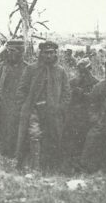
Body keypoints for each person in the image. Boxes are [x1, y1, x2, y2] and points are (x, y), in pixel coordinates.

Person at [15, 41, 71, 171]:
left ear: (55, 53)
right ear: (41, 53)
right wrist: (24, 106)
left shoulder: (60, 71)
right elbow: (21, 89)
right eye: (46, 53)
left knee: (52, 137)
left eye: (51, 53)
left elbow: (66, 92)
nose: (49, 56)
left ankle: (50, 167)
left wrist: (60, 108)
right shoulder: (31, 69)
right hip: (33, 110)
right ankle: (34, 167)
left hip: (52, 111)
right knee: (34, 135)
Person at [65, 58, 99, 161]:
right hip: (75, 114)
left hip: (89, 114)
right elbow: (67, 100)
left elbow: (97, 101)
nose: (83, 73)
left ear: (90, 69)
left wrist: (84, 95)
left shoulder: (96, 83)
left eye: (85, 70)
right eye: (80, 71)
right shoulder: (72, 82)